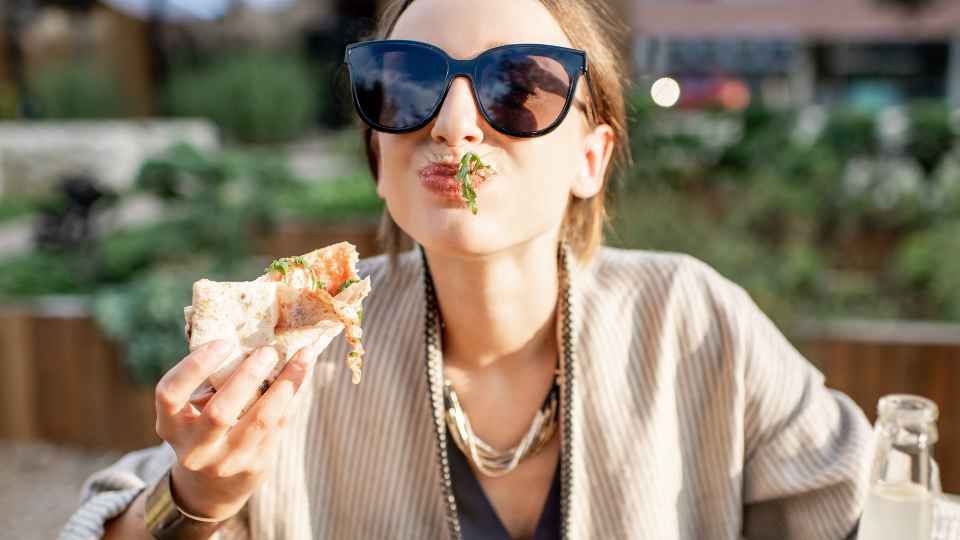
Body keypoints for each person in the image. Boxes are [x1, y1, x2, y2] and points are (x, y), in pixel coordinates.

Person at [59, 0, 873, 538]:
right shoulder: (298, 344)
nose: (454, 126)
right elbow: (106, 516)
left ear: (590, 157)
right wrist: (200, 498)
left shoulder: (691, 323)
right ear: (379, 156)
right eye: (406, 82)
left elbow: (873, 506)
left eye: (517, 86)